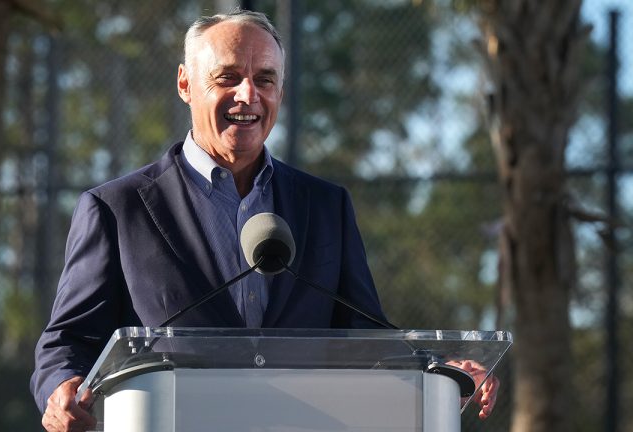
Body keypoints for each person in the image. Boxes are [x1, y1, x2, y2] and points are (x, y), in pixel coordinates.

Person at [31, 10, 497, 432]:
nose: (248, 95)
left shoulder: (325, 205)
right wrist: (62, 386)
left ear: (280, 92)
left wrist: (439, 369)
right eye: (228, 77)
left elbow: (365, 335)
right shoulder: (117, 209)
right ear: (185, 84)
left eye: (265, 79)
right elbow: (67, 340)